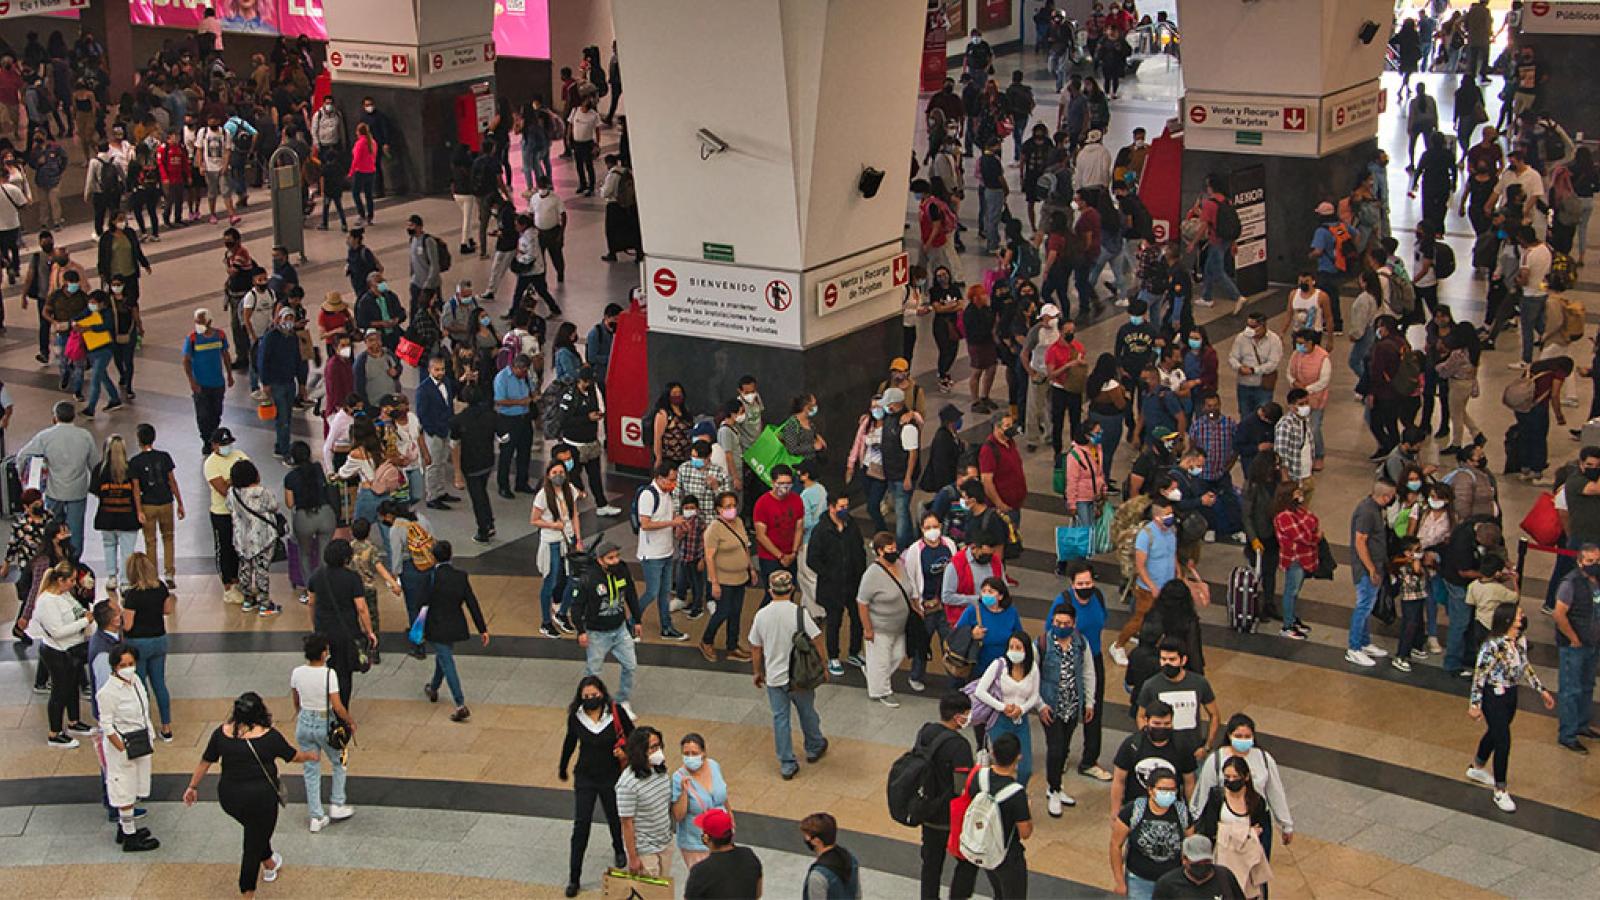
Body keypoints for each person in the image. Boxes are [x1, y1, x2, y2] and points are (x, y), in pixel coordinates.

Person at [184, 693, 317, 896]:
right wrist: (310, 756)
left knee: (255, 832)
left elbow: (205, 761)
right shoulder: (269, 737)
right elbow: (293, 756)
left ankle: (271, 863)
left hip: (230, 798)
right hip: (262, 800)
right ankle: (248, 892)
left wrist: (192, 787)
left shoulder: (221, 734)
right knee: (252, 847)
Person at [1467, 603, 1554, 812]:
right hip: (1493, 695)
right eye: (1518, 614)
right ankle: (1500, 790)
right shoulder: (1492, 645)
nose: (1522, 617)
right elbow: (1480, 674)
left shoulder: (1520, 641)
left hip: (1511, 694)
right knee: (1503, 741)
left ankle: (1477, 766)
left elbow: (1525, 666)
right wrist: (1475, 703)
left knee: (1497, 732)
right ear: (1507, 619)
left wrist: (1541, 690)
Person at [748, 570, 829, 779]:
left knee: (780, 719)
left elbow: (755, 647)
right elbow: (818, 639)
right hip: (800, 677)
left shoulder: (761, 615)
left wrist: (757, 672)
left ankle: (787, 763)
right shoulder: (799, 613)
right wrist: (824, 666)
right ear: (792, 589)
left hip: (775, 678)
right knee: (807, 712)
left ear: (770, 590)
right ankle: (814, 746)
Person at [559, 675, 633, 896]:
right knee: (581, 825)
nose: (591, 699)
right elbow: (570, 741)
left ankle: (619, 849)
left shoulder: (616, 713)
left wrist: (626, 752)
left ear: (602, 693)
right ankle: (574, 877)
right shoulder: (576, 717)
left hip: (611, 776)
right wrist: (563, 766)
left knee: (613, 815)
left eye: (594, 695)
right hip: (586, 777)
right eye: (586, 696)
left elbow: (633, 736)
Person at [1190, 713, 1294, 864]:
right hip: (1226, 822)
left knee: (1257, 868)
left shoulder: (1264, 758)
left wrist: (1286, 825)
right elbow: (1203, 792)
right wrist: (1194, 822)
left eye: (1247, 736)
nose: (1243, 740)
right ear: (1229, 735)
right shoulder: (1216, 760)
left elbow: (1275, 793)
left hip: (1256, 821)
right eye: (1238, 735)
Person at [947, 731, 1032, 900]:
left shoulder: (979, 776)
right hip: (1007, 855)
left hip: (984, 846)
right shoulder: (1016, 793)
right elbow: (1025, 833)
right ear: (1018, 758)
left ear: (993, 753)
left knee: (998, 890)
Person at [289, 634, 356, 833]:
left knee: (310, 768)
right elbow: (337, 705)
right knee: (340, 759)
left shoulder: (297, 672)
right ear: (323, 653)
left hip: (304, 722)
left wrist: (301, 715)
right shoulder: (329, 674)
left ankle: (316, 817)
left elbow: (296, 699)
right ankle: (337, 803)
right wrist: (350, 721)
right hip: (324, 722)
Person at [96, 643, 160, 851]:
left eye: (131, 663)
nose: (128, 668)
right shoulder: (108, 693)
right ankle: (130, 837)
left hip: (140, 741)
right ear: (114, 666)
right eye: (123, 664)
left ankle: (125, 829)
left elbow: (143, 711)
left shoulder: (136, 681)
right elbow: (106, 724)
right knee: (124, 788)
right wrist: (121, 748)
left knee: (136, 786)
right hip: (123, 747)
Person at [18, 400, 100, 555]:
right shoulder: (85, 436)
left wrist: (25, 479)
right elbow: (95, 465)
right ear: (74, 417)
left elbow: (22, 456)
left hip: (54, 491)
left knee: (52, 527)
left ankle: (55, 558)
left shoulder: (46, 436)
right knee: (75, 529)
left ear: (55, 417)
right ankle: (73, 561)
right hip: (77, 491)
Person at [420, 541, 488, 722]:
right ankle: (433, 687)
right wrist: (482, 628)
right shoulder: (461, 576)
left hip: (435, 626)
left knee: (446, 660)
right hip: (455, 624)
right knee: (443, 655)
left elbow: (422, 603)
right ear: (451, 555)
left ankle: (460, 703)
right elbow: (472, 603)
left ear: (433, 557)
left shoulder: (430, 577)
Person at [575, 539, 644, 709]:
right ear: (600, 560)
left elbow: (631, 594)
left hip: (620, 629)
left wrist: (637, 619)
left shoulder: (622, 570)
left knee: (630, 665)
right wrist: (580, 631)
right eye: (610, 558)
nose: (616, 561)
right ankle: (589, 701)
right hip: (597, 633)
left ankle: (622, 700)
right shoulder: (589, 578)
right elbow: (576, 606)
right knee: (594, 671)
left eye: (617, 557)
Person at [1111, 765, 1194, 899]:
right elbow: (1115, 845)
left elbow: (1191, 847)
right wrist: (1120, 881)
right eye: (1162, 789)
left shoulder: (1182, 813)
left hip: (1172, 883)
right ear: (1150, 790)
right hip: (1138, 881)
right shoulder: (1133, 810)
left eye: (1172, 790)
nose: (1168, 794)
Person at [808, 493, 867, 676]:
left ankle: (854, 651)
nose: (845, 510)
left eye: (847, 506)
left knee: (857, 619)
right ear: (831, 507)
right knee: (834, 622)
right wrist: (829, 574)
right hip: (832, 586)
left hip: (853, 583)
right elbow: (812, 559)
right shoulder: (821, 530)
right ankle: (833, 656)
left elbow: (860, 550)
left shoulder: (852, 526)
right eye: (841, 506)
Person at [35, 561, 93, 747]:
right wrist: (84, 621)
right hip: (57, 651)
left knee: (73, 685)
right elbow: (58, 631)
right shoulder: (47, 601)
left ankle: (74, 721)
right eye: (71, 580)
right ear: (60, 580)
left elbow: (78, 610)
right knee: (60, 691)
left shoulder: (65, 594)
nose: (73, 584)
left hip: (73, 648)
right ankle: (55, 733)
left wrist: (84, 615)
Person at [119, 552, 174, 740]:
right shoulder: (161, 588)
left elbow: (128, 625)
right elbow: (167, 610)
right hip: (159, 639)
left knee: (140, 686)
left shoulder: (132, 595)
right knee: (159, 684)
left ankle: (144, 725)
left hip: (137, 644)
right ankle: (167, 727)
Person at [1553, 544, 1600, 753]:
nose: (1595, 565)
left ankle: (1582, 725)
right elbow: (1559, 614)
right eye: (1590, 561)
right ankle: (1568, 734)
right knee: (1571, 689)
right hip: (1574, 646)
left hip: (1593, 643)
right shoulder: (1570, 583)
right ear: (1580, 562)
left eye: (1597, 561)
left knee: (1587, 685)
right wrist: (1573, 638)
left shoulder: (1597, 581)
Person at [857, 532, 912, 708]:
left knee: (897, 655)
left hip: (899, 625)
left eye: (895, 548)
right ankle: (882, 692)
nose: (894, 552)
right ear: (880, 551)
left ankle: (873, 675)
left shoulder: (899, 565)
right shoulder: (872, 574)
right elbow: (862, 602)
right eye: (890, 549)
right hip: (880, 626)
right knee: (881, 661)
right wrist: (867, 629)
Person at [1346, 480, 1396, 667]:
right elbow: (1360, 541)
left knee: (1368, 605)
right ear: (1387, 496)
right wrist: (1371, 568)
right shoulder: (1367, 512)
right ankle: (1354, 647)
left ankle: (1365, 642)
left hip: (1374, 566)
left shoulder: (1373, 509)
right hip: (1366, 569)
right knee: (1363, 606)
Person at [532, 459, 583, 637]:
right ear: (548, 475)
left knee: (573, 578)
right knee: (550, 580)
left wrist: (578, 538)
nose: (558, 475)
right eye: (554, 472)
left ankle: (562, 613)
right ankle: (546, 622)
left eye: (561, 472)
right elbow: (534, 519)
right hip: (551, 541)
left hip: (568, 540)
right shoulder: (543, 495)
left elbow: (574, 514)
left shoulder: (570, 490)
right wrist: (553, 525)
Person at [702, 490, 756, 662]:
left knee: (736, 612)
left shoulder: (739, 522)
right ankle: (706, 641)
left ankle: (732, 646)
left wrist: (751, 569)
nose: (732, 509)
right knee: (722, 611)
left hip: (740, 577)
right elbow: (709, 557)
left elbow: (745, 547)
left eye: (734, 506)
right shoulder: (714, 529)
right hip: (723, 579)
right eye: (727, 507)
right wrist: (714, 583)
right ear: (719, 509)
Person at [616, 725, 674, 877]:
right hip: (645, 850)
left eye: (659, 746)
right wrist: (633, 857)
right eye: (653, 747)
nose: (658, 751)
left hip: (665, 843)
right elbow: (626, 823)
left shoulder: (659, 770)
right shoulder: (627, 784)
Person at [228, 460, 283, 617]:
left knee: (245, 568)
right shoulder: (262, 492)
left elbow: (229, 507)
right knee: (261, 569)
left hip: (241, 538)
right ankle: (264, 603)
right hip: (262, 538)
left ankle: (247, 599)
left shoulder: (232, 493)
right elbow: (274, 506)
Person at [671, 732, 731, 869]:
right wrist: (684, 792)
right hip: (696, 843)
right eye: (686, 753)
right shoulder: (677, 778)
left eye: (694, 753)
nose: (690, 757)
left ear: (703, 753)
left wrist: (730, 816)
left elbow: (723, 795)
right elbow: (678, 816)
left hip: (720, 837)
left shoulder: (714, 765)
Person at [683, 807, 763, 900]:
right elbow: (758, 894)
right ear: (731, 834)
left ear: (706, 838)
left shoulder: (700, 872)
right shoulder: (749, 856)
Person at [1152, 835, 1245, 900]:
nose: (1202, 865)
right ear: (1184, 859)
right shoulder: (1167, 884)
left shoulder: (1225, 876)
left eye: (1206, 861)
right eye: (1197, 862)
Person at [800, 812, 862, 900]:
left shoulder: (818, 877)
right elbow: (857, 895)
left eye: (806, 836)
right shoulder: (851, 859)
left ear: (816, 841)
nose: (805, 838)